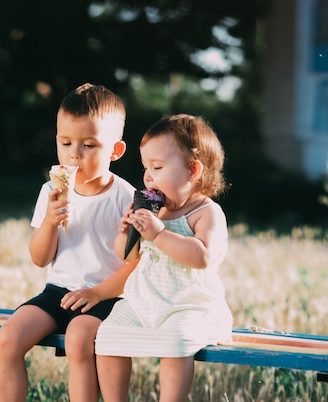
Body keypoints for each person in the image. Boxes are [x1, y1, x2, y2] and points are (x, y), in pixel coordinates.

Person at [0, 83, 137, 402]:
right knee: (8, 339)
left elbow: (138, 264)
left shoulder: (126, 198)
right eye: (66, 142)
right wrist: (48, 222)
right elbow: (39, 258)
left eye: (89, 145)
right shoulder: (51, 192)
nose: (74, 154)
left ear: (115, 150)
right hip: (57, 291)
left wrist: (98, 292)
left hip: (106, 297)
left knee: (77, 338)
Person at [96, 114, 233, 402]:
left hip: (189, 308)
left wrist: (158, 234)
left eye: (157, 167)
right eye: (146, 166)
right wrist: (127, 234)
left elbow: (202, 257)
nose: (148, 176)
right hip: (143, 303)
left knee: (175, 342)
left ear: (193, 171)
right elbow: (127, 257)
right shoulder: (153, 211)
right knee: (107, 337)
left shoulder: (206, 213)